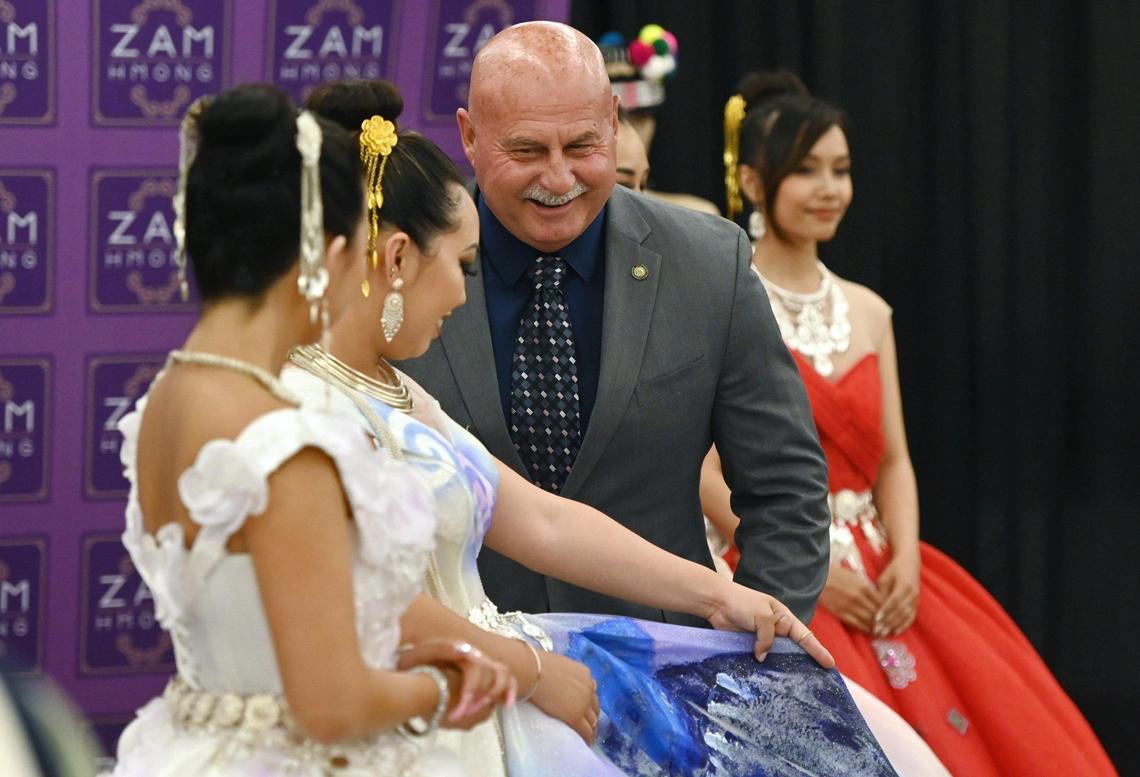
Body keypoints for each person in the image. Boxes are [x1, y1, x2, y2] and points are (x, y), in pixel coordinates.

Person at [293, 77, 910, 776]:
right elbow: (357, 596)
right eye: (461, 266)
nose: (466, 291)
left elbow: (543, 521)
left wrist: (723, 596)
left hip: (523, 699)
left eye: (580, 146)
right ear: (399, 257)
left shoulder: (399, 393)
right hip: (416, 721)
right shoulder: (298, 406)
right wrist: (529, 668)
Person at [706, 70, 1119, 776]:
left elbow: (893, 459)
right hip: (774, 566)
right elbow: (704, 468)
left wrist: (905, 556)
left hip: (879, 568)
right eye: (806, 170)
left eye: (841, 169)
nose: (829, 188)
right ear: (751, 181)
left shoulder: (869, 310)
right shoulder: (727, 301)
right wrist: (804, 566)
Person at [109, 84, 516, 776]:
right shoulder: (284, 443)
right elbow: (332, 704)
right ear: (326, 254)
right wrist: (452, 683)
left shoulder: (164, 404)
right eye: (358, 250)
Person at [398, 21, 832, 633]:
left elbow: (786, 489)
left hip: (669, 666)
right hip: (466, 668)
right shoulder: (401, 272)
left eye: (582, 146)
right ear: (469, 136)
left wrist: (749, 661)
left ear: (613, 121)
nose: (558, 178)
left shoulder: (710, 264)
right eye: (527, 151)